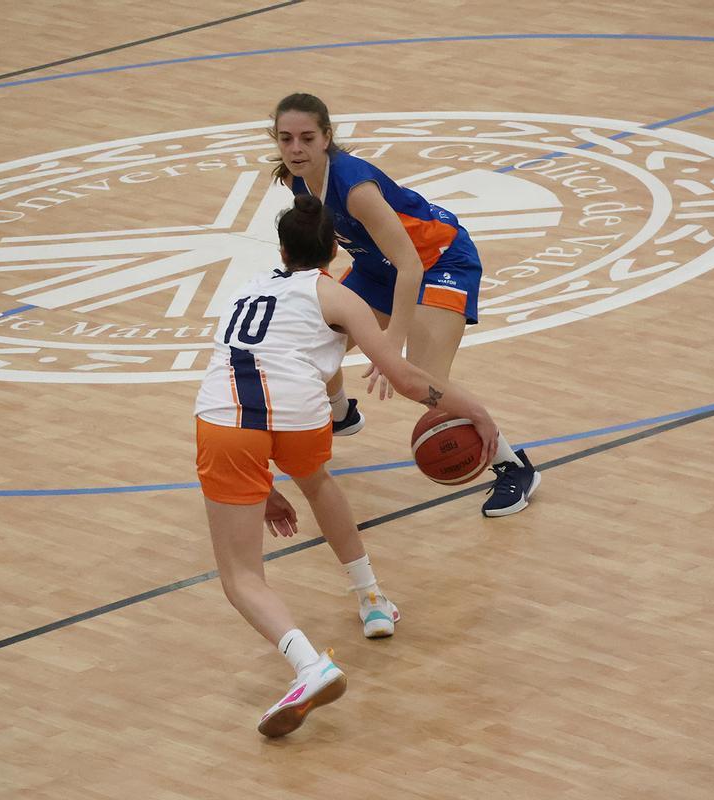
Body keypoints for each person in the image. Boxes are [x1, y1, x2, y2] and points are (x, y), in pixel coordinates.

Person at [195, 194, 500, 737]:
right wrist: (473, 409)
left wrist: (257, 482)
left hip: (228, 418)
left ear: (282, 249)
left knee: (242, 575)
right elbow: (406, 379)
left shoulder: (241, 292)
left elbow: (245, 367)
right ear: (334, 249)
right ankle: (371, 596)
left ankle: (309, 665)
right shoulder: (337, 295)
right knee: (315, 481)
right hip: (298, 411)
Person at [269, 92, 541, 517]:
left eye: (306, 137)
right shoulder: (296, 179)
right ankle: (340, 415)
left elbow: (411, 265)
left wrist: (390, 342)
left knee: (423, 383)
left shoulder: (355, 187)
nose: (296, 148)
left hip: (438, 262)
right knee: (308, 342)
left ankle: (513, 465)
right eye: (286, 139)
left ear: (326, 137)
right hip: (379, 268)